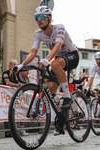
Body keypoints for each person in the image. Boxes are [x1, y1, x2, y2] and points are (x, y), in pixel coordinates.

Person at [11, 6, 79, 135]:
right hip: (58, 59)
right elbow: (33, 52)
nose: (39, 20)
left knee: (54, 64)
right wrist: (21, 65)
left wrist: (47, 59)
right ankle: (61, 120)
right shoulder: (38, 33)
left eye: (42, 17)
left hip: (72, 55)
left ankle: (67, 97)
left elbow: (58, 46)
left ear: (50, 18)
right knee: (51, 92)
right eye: (37, 18)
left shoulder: (59, 27)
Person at [2, 59, 23, 137]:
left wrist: (20, 84)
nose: (13, 66)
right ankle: (7, 131)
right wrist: (18, 86)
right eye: (11, 64)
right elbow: (8, 82)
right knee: (6, 112)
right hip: (6, 97)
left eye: (14, 64)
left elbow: (19, 83)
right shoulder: (5, 73)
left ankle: (14, 131)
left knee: (14, 112)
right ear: (9, 65)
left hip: (14, 96)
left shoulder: (16, 74)